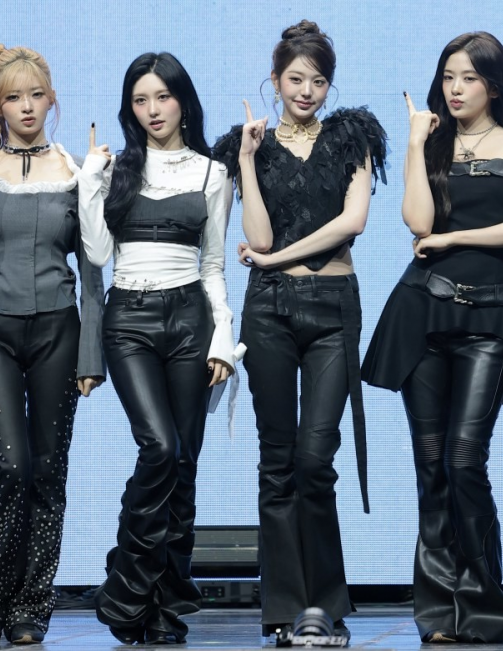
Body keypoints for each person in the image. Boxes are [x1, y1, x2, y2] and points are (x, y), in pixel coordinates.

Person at [361, 32, 503, 644]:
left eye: (468, 77)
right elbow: (418, 221)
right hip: (423, 311)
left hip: (490, 316)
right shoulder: (432, 143)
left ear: (494, 83)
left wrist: (454, 238)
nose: (456, 88)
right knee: (430, 466)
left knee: (466, 460)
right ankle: (439, 614)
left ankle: (483, 606)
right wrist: (416, 142)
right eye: (448, 77)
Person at [213, 20, 386, 643]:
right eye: (295, 79)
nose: (306, 91)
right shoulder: (249, 145)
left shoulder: (353, 137)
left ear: (329, 85)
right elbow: (258, 237)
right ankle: (287, 610)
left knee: (316, 458)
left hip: (334, 306)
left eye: (317, 81)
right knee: (278, 459)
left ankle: (326, 604)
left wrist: (275, 259)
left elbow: (352, 222)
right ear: (275, 80)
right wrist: (246, 159)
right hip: (270, 311)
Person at [0, 43, 105, 645]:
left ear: (51, 98)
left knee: (48, 470)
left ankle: (31, 607)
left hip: (59, 329)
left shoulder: (74, 169)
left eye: (37, 95)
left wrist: (92, 353)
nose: (28, 106)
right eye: (14, 97)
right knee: (9, 466)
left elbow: (92, 270)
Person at [78, 52, 236, 645]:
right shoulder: (117, 170)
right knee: (160, 447)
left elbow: (214, 264)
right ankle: (126, 590)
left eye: (162, 97)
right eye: (140, 100)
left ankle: (163, 606)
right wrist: (90, 180)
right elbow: (98, 254)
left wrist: (223, 336)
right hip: (130, 319)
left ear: (182, 101)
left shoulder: (212, 173)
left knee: (185, 462)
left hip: (191, 318)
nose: (152, 110)